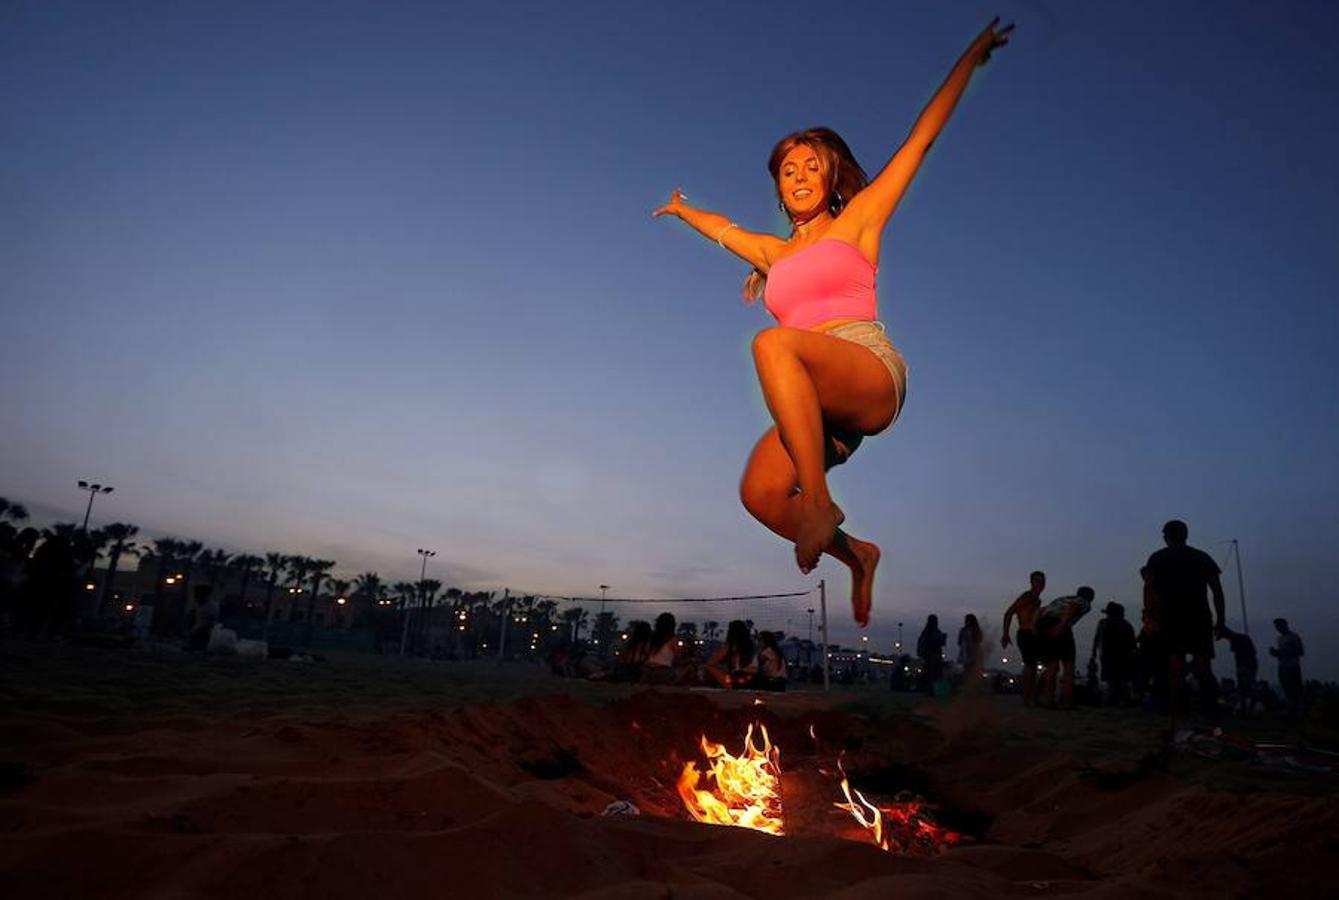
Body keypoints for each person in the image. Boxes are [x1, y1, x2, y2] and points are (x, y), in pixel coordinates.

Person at [654, 20, 1013, 628]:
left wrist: (969, 60)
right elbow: (723, 230)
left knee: (772, 345)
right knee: (760, 494)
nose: (798, 175)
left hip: (865, 369)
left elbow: (920, 140)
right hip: (814, 403)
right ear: (779, 186)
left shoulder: (860, 222)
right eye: (788, 169)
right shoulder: (773, 253)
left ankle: (819, 504)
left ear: (829, 177)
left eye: (811, 166)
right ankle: (859, 554)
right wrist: (683, 209)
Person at [1144, 519, 1226, 719]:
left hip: (1171, 618)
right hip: (1198, 617)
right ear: (1185, 534)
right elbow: (1217, 591)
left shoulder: (1157, 558)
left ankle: (1178, 709)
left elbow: (1149, 589)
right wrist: (1220, 619)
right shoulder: (1201, 557)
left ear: (1165, 537)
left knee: (1176, 666)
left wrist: (1149, 616)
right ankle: (1210, 709)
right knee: (1202, 666)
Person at [1035, 587, 1094, 709]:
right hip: (1059, 623)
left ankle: (1049, 701)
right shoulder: (1083, 602)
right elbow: (1073, 606)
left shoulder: (1062, 599)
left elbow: (1041, 610)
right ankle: (1067, 702)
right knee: (1069, 665)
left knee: (1052, 664)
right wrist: (1061, 625)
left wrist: (1034, 628)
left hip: (1043, 624)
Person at [1001, 571, 1045, 706]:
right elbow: (1009, 612)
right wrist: (1005, 633)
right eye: (1037, 580)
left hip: (1032, 635)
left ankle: (1031, 697)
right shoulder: (1028, 596)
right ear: (1031, 582)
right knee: (1030, 666)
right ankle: (1027, 699)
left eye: (1042, 580)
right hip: (1025, 634)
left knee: (1033, 667)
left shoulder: (1037, 599)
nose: (1040, 583)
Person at [1090, 602, 1136, 707]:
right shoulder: (1126, 625)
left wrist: (1093, 654)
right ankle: (1120, 702)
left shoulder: (1103, 623)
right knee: (1120, 681)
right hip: (1122, 657)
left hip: (1109, 656)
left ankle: (1112, 702)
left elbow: (1096, 639)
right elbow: (1132, 644)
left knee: (1112, 681)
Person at [704, 620, 758, 689]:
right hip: (754, 680)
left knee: (709, 666)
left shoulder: (731, 646)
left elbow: (711, 662)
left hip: (739, 681)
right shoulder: (752, 646)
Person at [1269, 618, 1305, 713]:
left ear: (1285, 625)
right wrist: (1276, 653)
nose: (1277, 628)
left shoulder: (1294, 637)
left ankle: (1299, 709)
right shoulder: (1279, 639)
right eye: (1276, 627)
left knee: (1295, 688)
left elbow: (1300, 652)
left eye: (1279, 626)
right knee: (1286, 688)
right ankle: (1291, 708)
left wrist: (1283, 652)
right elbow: (1281, 653)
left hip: (1292, 667)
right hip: (1282, 666)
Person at [1220, 625, 1258, 715]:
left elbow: (1252, 652)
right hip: (1242, 665)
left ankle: (1250, 708)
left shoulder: (1241, 638)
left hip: (1248, 665)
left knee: (1249, 686)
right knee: (1242, 688)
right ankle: (1245, 709)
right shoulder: (1234, 640)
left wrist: (1246, 666)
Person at [917, 614, 947, 695]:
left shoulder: (926, 632)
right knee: (935, 674)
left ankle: (930, 690)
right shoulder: (933, 632)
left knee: (930, 674)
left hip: (930, 656)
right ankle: (935, 690)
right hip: (933, 655)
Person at [186, 584, 219, 652]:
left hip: (204, 634)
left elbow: (210, 623)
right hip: (195, 631)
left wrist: (197, 631)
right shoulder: (197, 605)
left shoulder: (211, 607)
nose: (196, 596)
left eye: (198, 593)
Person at [957, 613, 983, 681]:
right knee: (970, 671)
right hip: (969, 653)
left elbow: (959, 642)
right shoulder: (975, 630)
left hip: (970, 653)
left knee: (969, 671)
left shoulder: (964, 630)